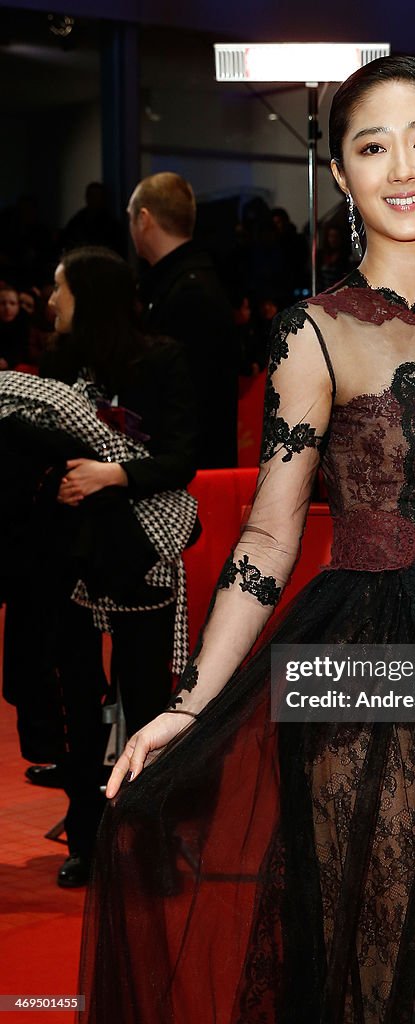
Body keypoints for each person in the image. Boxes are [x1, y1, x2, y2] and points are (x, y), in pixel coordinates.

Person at [80, 58, 415, 1022]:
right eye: (372, 145)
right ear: (344, 175)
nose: (402, 166)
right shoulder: (313, 333)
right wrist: (189, 707)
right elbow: (268, 537)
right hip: (363, 662)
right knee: (375, 947)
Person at [0, 247, 199, 887]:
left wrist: (109, 473)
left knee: (145, 704)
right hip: (72, 562)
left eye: (60, 288)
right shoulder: (59, 366)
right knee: (80, 713)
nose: (51, 301)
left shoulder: (163, 360)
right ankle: (85, 839)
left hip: (142, 558)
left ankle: (149, 842)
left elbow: (180, 461)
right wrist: (61, 480)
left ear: (89, 296)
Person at [128, 172, 239, 467]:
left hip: (189, 469)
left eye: (130, 218)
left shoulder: (189, 290)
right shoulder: (185, 281)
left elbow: (189, 395)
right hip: (186, 462)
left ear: (143, 218)